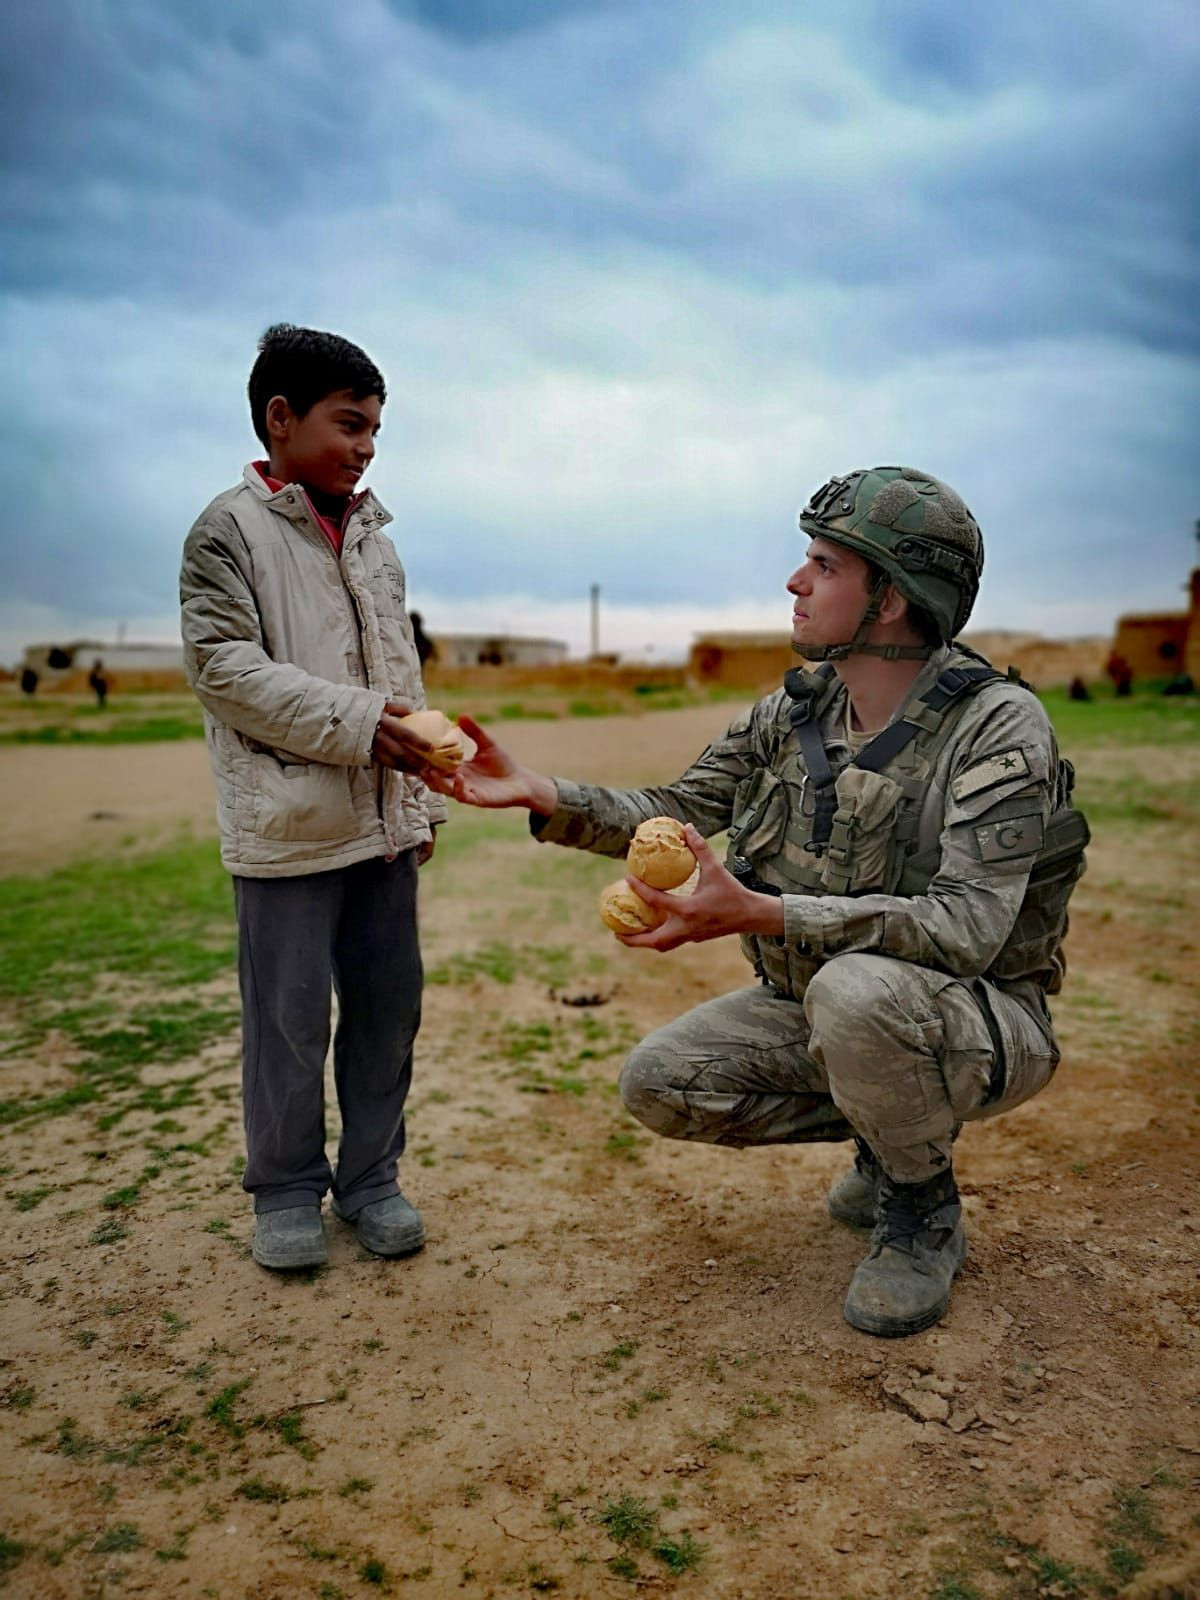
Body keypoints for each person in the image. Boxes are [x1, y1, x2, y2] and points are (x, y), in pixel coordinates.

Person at [432, 467, 1089, 1338]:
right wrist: (538, 791)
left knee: (855, 993)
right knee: (662, 1083)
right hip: (825, 1014)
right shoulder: (796, 712)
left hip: (978, 1019)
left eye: (823, 565)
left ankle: (921, 1209)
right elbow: (678, 808)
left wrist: (762, 913)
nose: (795, 581)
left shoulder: (997, 728)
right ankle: (888, 1138)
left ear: (889, 597)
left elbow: (966, 931)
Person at [180, 323, 446, 1272]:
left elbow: (401, 679)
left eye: (376, 429)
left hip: (381, 827)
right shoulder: (227, 532)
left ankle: (372, 1180)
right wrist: (367, 721)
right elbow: (224, 671)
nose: (366, 446)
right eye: (349, 424)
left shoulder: (377, 542)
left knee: (387, 1011)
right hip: (288, 829)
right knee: (288, 1021)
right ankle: (285, 1191)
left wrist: (421, 804)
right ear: (280, 418)